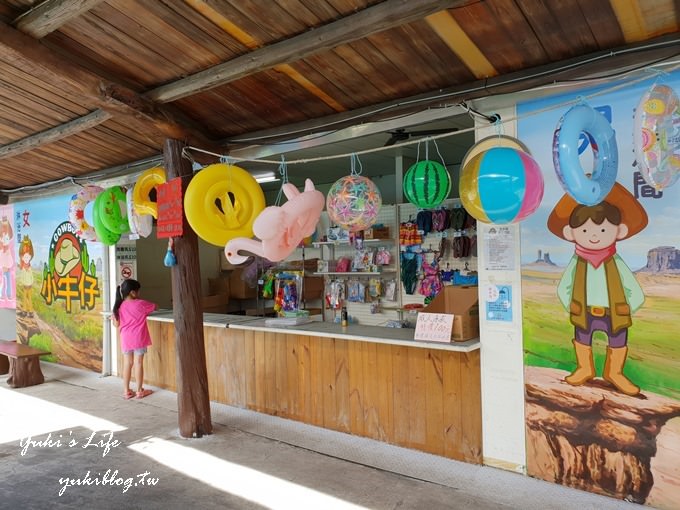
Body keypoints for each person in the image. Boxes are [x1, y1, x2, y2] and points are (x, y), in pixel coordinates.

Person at [547, 182, 648, 396]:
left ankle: (614, 372)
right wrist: (572, 306)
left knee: (618, 340)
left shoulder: (615, 261)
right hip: (585, 311)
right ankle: (585, 368)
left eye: (603, 229)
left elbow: (633, 288)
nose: (594, 235)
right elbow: (565, 286)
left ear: (618, 231)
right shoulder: (578, 261)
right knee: (583, 338)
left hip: (615, 312)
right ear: (571, 233)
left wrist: (629, 307)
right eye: (584, 230)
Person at [112, 278, 157, 399]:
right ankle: (139, 391)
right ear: (132, 292)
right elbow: (154, 307)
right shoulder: (141, 303)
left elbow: (116, 325)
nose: (139, 294)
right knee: (138, 363)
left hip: (126, 339)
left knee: (128, 363)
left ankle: (126, 391)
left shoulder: (118, 306)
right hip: (139, 338)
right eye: (138, 291)